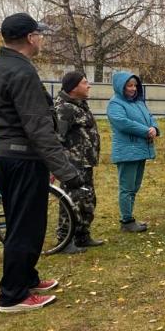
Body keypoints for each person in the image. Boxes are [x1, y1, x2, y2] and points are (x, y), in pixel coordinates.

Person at [0, 13, 84, 313]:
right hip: (23, 157)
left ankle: (27, 278)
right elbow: (37, 127)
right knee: (26, 226)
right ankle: (13, 295)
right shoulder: (22, 72)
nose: (41, 39)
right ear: (30, 38)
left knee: (20, 221)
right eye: (39, 34)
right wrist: (67, 170)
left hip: (6, 155)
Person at [55, 70, 103, 251]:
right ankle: (65, 240)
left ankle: (83, 235)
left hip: (85, 163)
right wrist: (59, 166)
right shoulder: (64, 108)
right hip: (72, 164)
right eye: (84, 82)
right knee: (71, 201)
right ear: (74, 88)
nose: (88, 85)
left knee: (87, 199)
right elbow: (57, 138)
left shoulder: (81, 105)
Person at [106, 71, 159, 232]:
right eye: (129, 85)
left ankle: (129, 218)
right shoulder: (115, 104)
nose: (133, 88)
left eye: (135, 85)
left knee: (134, 187)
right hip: (127, 151)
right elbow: (123, 123)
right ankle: (126, 221)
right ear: (121, 86)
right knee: (127, 188)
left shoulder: (138, 102)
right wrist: (146, 131)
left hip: (140, 150)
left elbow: (150, 117)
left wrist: (154, 128)